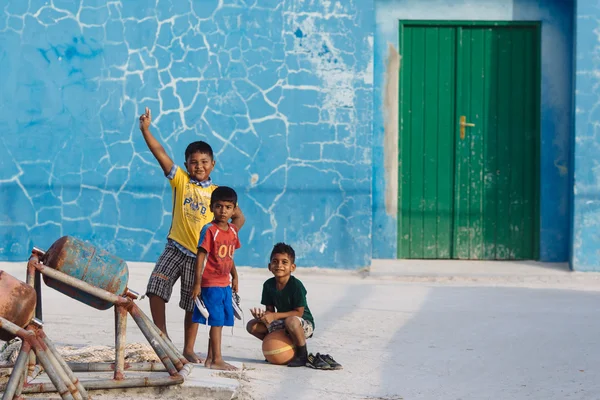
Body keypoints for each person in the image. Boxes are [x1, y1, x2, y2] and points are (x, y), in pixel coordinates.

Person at [139, 107, 245, 363]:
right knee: (155, 288)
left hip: (199, 256)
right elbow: (160, 153)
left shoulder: (219, 193)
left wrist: (224, 236)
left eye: (204, 162)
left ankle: (188, 348)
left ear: (213, 164)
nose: (199, 166)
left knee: (192, 303)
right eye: (194, 162)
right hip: (175, 247)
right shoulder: (180, 180)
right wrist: (145, 130)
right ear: (187, 164)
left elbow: (239, 217)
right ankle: (161, 337)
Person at [246, 243, 323, 368]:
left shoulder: (296, 286)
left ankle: (302, 354)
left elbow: (298, 313)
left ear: (292, 267)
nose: (279, 265)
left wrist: (274, 316)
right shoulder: (268, 285)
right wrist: (263, 317)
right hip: (282, 322)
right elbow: (270, 311)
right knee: (252, 326)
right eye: (275, 262)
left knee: (291, 321)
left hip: (301, 323)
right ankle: (279, 348)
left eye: (284, 262)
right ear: (269, 266)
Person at [191, 186, 241, 370]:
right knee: (216, 321)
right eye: (219, 206)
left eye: (228, 207)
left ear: (234, 209)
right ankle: (217, 359)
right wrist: (197, 284)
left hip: (225, 283)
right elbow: (201, 257)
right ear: (211, 207)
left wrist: (235, 276)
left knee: (220, 320)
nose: (223, 211)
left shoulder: (233, 231)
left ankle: (210, 359)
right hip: (210, 283)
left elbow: (229, 257)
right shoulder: (209, 230)